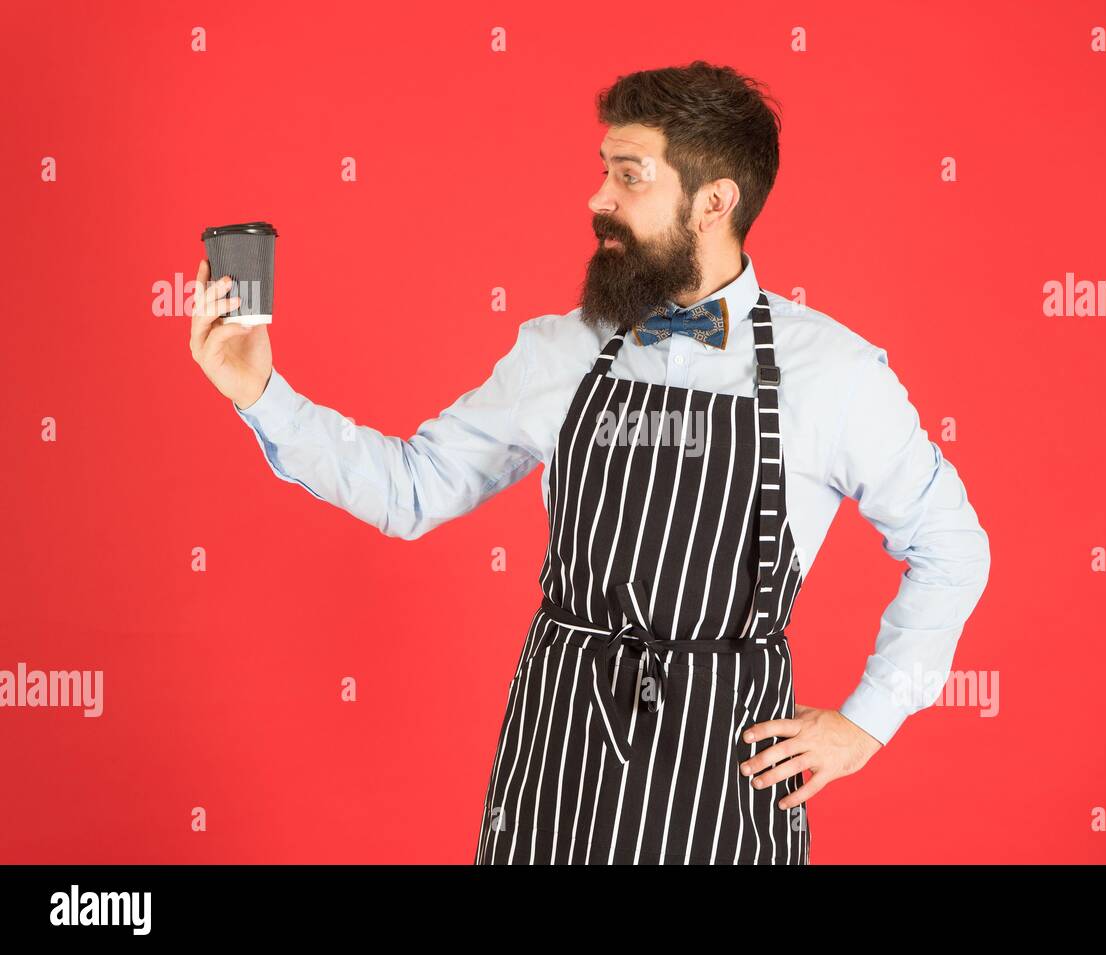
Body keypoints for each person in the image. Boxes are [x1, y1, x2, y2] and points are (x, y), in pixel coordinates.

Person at [189, 62, 991, 865]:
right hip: (556, 758)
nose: (597, 198)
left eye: (629, 175)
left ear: (714, 202)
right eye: (604, 170)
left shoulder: (838, 374)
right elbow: (412, 488)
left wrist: (871, 720)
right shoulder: (560, 348)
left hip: (720, 776)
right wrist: (261, 392)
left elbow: (953, 549)